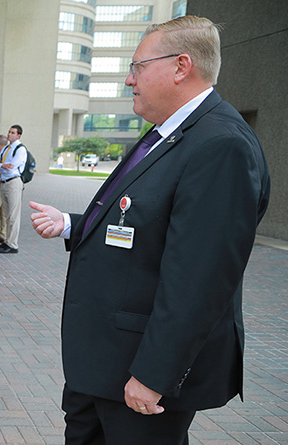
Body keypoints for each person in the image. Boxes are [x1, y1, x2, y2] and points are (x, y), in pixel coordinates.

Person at [29, 16, 270, 443]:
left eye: (137, 67)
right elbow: (143, 221)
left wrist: (154, 374)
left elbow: (200, 278)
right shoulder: (167, 134)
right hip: (104, 366)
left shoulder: (220, 145)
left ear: (181, 66)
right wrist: (73, 225)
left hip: (141, 380)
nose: (127, 80)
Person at [0, 125, 27, 254]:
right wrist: (2, 165)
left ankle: (13, 244)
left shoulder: (20, 149)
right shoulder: (6, 147)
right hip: (4, 182)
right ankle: (7, 241)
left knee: (13, 215)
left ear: (18, 135)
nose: (9, 135)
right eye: (9, 132)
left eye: (13, 133)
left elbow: (11, 168)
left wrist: (2, 166)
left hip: (13, 182)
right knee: (7, 214)